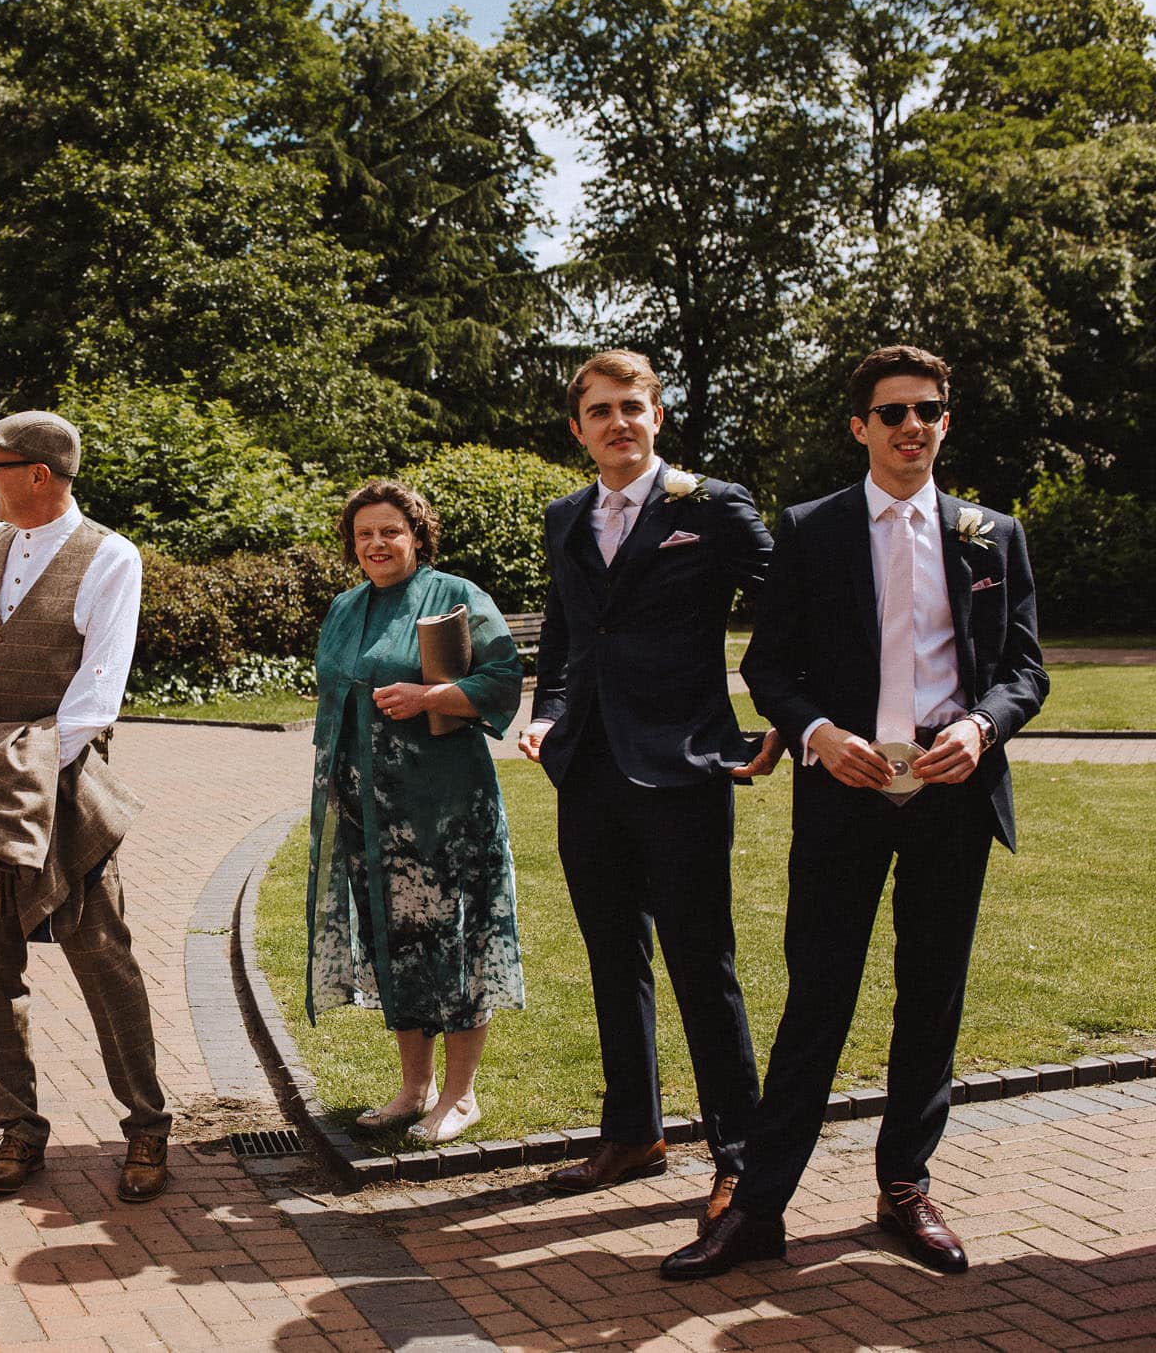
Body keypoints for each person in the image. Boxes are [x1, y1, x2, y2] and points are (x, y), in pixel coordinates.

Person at [663, 345, 1049, 1280]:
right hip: (845, 793)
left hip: (952, 799)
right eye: (892, 413)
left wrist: (985, 730)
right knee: (819, 997)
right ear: (861, 427)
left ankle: (905, 1187)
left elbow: (1025, 669)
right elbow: (768, 665)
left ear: (944, 423)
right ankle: (759, 1207)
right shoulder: (812, 528)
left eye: (928, 410)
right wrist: (819, 732)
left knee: (932, 996)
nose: (912, 425)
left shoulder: (991, 534)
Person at [518, 350, 780, 1230]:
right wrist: (550, 712)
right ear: (578, 428)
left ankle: (741, 1161)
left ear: (658, 415)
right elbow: (565, 632)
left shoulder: (710, 506)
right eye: (600, 411)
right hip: (587, 770)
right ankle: (632, 1132)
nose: (618, 423)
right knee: (610, 956)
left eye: (633, 406)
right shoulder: (566, 515)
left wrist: (781, 714)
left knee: (703, 966)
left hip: (684, 767)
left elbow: (791, 606)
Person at [0, 409, 172, 1202]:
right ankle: (19, 1128)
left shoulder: (111, 555)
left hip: (64, 792)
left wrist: (18, 774)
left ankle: (145, 1126)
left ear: (39, 473)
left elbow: (95, 698)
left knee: (104, 957)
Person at [305, 480, 526, 1145]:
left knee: (453, 940)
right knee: (394, 941)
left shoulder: (455, 594)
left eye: (390, 531)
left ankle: (461, 1096)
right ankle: (413, 1088)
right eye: (365, 533)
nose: (376, 543)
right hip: (373, 816)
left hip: (446, 808)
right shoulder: (346, 607)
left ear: (418, 536)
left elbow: (504, 677)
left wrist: (433, 696)